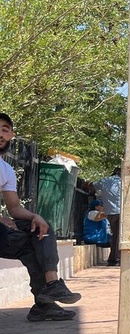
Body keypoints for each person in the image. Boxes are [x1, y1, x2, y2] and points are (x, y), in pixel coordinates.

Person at [0, 112, 82, 322]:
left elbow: (15, 208)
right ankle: (46, 300)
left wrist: (36, 216)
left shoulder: (6, 170)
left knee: (38, 230)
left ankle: (49, 291)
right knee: (28, 243)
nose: (0, 134)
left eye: (4, 129)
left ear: (11, 135)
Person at [92, 167, 121, 266]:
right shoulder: (122, 181)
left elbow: (94, 185)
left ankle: (113, 258)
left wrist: (102, 196)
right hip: (121, 211)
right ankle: (116, 258)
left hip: (109, 211)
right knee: (119, 235)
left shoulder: (104, 181)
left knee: (115, 234)